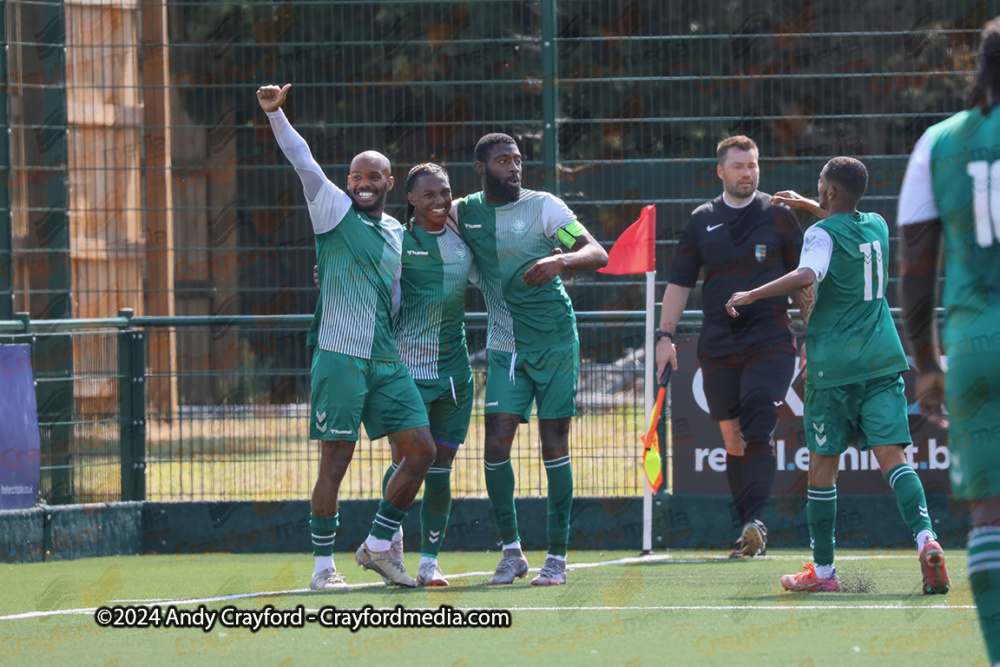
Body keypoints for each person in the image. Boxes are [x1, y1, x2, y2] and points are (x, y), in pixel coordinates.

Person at [726, 156, 951, 594]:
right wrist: (811, 203)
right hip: (884, 359)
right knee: (893, 459)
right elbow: (843, 220)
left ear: (829, 191)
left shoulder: (819, 234)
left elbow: (809, 273)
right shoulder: (877, 226)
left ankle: (824, 574)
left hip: (833, 366)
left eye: (820, 185)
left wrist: (752, 293)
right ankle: (927, 539)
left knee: (823, 467)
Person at [257, 83, 436, 590]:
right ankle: (322, 568)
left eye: (374, 175)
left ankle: (378, 545)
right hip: (338, 357)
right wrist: (276, 115)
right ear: (349, 180)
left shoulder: (399, 234)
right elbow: (302, 159)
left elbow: (395, 297)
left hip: (385, 358)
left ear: (389, 182)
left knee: (421, 448)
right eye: (357, 174)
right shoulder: (331, 209)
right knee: (336, 461)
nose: (363, 181)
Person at [453, 133, 608, 585]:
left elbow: (596, 252)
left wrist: (562, 263)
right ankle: (512, 551)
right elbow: (418, 232)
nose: (514, 167)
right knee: (497, 442)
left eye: (518, 160)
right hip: (505, 346)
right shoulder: (465, 212)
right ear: (482, 168)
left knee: (553, 445)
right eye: (503, 161)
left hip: (556, 342)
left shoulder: (545, 208)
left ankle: (556, 557)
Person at [897, 16, 1000, 660]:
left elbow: (915, 270)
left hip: (975, 347)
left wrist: (927, 364)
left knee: (989, 514)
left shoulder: (936, 143)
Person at [655, 135, 808, 558]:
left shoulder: (780, 216)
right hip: (718, 344)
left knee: (758, 419)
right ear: (720, 171)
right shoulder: (701, 219)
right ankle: (748, 531)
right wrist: (664, 338)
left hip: (772, 339)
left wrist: (813, 336)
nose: (748, 173)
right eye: (739, 166)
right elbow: (680, 283)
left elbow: (804, 279)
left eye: (753, 165)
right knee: (733, 439)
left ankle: (756, 520)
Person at [373, 163, 475, 587]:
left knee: (440, 468)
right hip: (406, 374)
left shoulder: (463, 236)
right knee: (406, 460)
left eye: (445, 192)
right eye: (429, 194)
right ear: (411, 199)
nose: (439, 200)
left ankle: (429, 562)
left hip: (455, 375)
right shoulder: (396, 239)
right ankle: (389, 545)